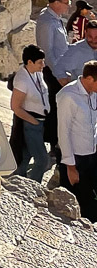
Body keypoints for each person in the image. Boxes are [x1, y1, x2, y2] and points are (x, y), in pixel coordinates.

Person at [35, 0, 75, 156]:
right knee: (56, 107)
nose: (68, 7)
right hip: (53, 71)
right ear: (56, 2)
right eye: (66, 3)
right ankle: (53, 143)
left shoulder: (55, 18)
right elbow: (47, 52)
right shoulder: (46, 21)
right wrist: (59, 75)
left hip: (60, 67)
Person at [56, 59, 97, 220]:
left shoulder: (93, 94)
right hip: (75, 160)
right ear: (89, 79)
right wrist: (70, 167)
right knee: (77, 203)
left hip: (91, 155)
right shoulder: (68, 96)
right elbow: (63, 132)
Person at [10, 44, 52, 181]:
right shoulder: (22, 80)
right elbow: (16, 107)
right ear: (29, 62)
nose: (43, 65)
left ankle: (18, 182)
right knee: (42, 160)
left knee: (25, 157)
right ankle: (33, 187)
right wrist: (33, 122)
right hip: (32, 124)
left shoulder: (36, 73)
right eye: (40, 62)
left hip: (40, 122)